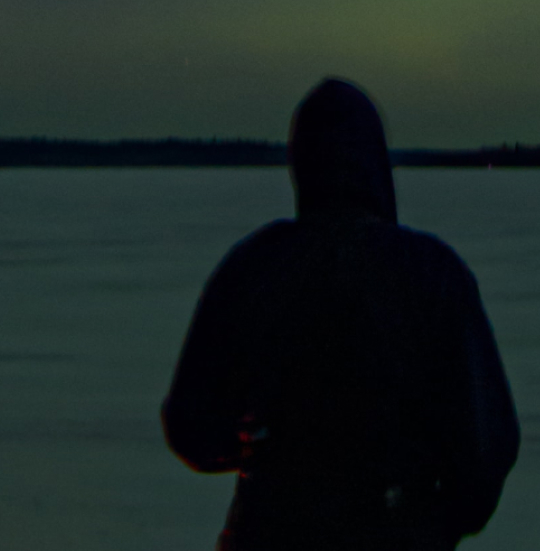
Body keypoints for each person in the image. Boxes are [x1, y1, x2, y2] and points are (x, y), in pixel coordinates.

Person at [162, 79, 519, 550]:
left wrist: (256, 448)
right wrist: (437, 524)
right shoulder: (432, 272)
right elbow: (486, 445)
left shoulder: (253, 266)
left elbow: (190, 425)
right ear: (377, 164)